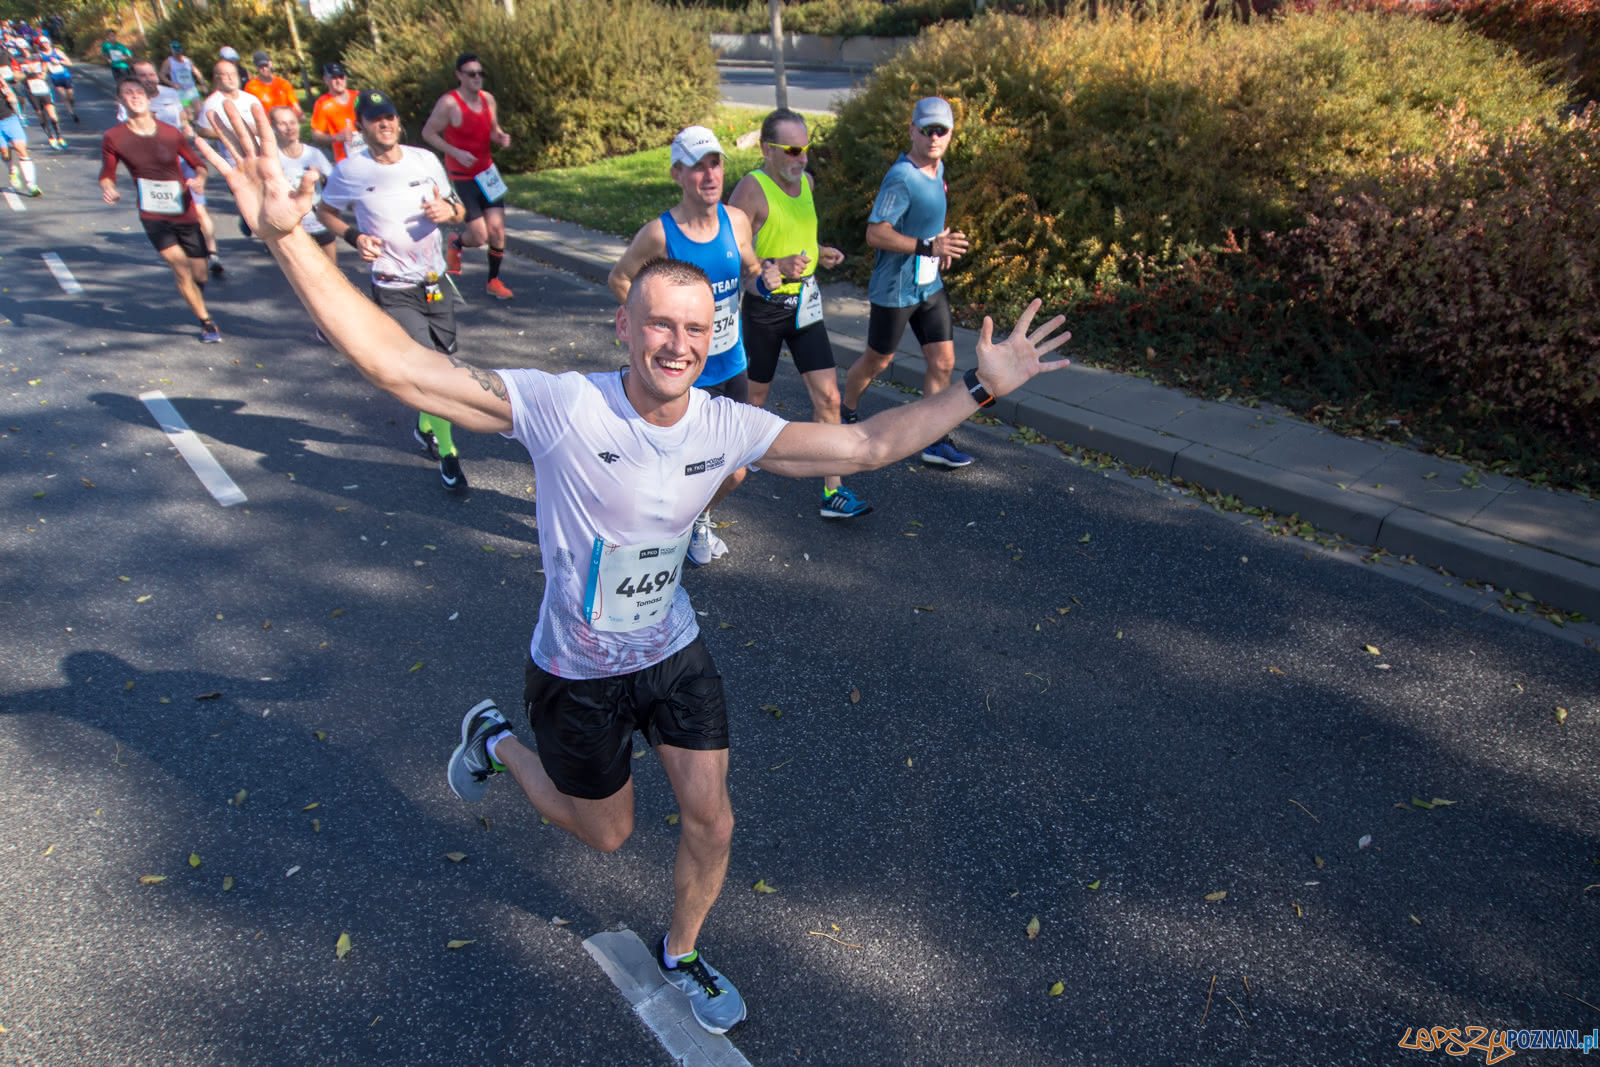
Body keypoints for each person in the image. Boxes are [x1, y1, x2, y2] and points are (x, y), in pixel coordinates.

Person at [194, 96, 1070, 1036]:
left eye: (695, 331)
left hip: (670, 651)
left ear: (712, 335)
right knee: (604, 832)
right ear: (625, 326)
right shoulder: (566, 408)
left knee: (714, 818)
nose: (678, 345)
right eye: (659, 325)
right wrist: (291, 238)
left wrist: (981, 386)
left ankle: (680, 951)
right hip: (576, 672)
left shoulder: (728, 422)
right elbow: (403, 367)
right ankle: (494, 739)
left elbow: (864, 447)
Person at [607, 125, 776, 566]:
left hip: (729, 361)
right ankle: (644, 531)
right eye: (697, 167)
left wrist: (765, 277)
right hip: (679, 368)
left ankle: (695, 516)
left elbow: (751, 268)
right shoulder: (661, 235)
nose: (709, 174)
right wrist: (650, 323)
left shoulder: (736, 221)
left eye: (715, 163)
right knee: (669, 461)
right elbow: (620, 278)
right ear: (677, 174)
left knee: (736, 467)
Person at [313, 89, 472, 493]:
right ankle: (450, 456)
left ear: (398, 122)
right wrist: (353, 236)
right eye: (374, 118)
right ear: (361, 125)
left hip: (435, 283)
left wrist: (448, 213)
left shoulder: (424, 160)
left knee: (443, 360)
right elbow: (324, 211)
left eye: (390, 117)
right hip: (392, 285)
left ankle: (424, 425)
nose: (384, 124)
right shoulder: (352, 170)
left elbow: (458, 209)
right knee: (433, 369)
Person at [728, 107, 867, 520]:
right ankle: (714, 478)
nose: (801, 158)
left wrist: (818, 251)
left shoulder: (805, 183)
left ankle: (833, 492)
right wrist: (771, 265)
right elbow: (733, 253)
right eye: (791, 149)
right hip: (765, 308)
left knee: (829, 396)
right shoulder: (750, 190)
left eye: (805, 149)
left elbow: (798, 233)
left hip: (805, 306)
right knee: (753, 401)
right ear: (767, 150)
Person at [839, 96, 975, 469]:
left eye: (941, 131)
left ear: (950, 135)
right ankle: (844, 413)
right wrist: (928, 245)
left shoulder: (938, 167)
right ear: (912, 130)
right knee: (878, 361)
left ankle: (933, 441)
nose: (934, 137)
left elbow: (925, 219)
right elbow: (875, 234)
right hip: (895, 288)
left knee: (943, 361)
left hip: (928, 284)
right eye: (926, 130)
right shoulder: (901, 177)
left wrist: (939, 241)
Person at [100, 76, 221, 343]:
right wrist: (108, 187)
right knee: (180, 267)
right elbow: (107, 173)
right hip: (153, 214)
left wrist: (199, 179)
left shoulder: (170, 132)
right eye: (127, 92)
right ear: (120, 101)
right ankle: (207, 322)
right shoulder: (114, 137)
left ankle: (194, 293)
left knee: (200, 272)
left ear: (147, 97)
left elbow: (197, 163)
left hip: (185, 210)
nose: (134, 96)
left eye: (138, 91)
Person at [421, 52, 512, 300]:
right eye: (471, 74)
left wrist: (501, 138)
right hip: (461, 176)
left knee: (498, 231)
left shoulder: (488, 100)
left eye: (480, 73)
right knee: (479, 236)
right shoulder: (449, 104)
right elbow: (428, 133)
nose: (477, 78)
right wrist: (455, 152)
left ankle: (493, 281)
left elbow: (493, 130)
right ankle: (457, 242)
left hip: (488, 173)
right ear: (459, 75)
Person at [123, 59, 224, 275]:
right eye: (143, 75)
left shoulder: (171, 94)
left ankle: (213, 255)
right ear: (134, 79)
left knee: (199, 208)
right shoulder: (130, 103)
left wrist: (189, 130)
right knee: (170, 216)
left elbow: (184, 120)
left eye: (151, 74)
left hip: (182, 161)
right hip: (154, 170)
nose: (149, 79)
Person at [193, 58, 260, 239]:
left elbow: (262, 124)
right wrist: (228, 133)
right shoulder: (212, 103)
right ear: (217, 78)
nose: (230, 78)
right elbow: (201, 129)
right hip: (234, 160)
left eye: (233, 74)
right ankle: (248, 219)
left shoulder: (250, 99)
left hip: (259, 156)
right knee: (249, 197)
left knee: (265, 195)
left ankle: (260, 226)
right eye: (225, 75)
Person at [268, 105, 335, 266]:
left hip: (321, 223)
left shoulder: (314, 154)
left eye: (292, 122)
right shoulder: (272, 160)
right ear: (273, 127)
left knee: (333, 274)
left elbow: (334, 185)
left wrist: (322, 177)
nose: (289, 127)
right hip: (294, 229)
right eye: (283, 123)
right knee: (308, 279)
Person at [310, 62, 361, 164]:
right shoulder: (322, 104)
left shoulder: (358, 97)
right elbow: (316, 135)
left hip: (368, 154)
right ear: (325, 80)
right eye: (334, 77)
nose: (338, 81)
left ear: (346, 78)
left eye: (341, 76)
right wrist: (337, 137)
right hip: (345, 161)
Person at [0, 74, 41, 196]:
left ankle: (31, 184)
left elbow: (12, 98)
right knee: (4, 152)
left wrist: (7, 91)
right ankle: (12, 170)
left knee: (21, 149)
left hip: (10, 119)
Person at [19, 43, 63, 149]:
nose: (24, 50)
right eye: (21, 49)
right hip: (31, 90)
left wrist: (43, 73)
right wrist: (27, 74)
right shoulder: (19, 60)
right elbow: (18, 76)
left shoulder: (38, 57)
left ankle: (59, 136)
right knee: (40, 114)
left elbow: (45, 66)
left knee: (52, 115)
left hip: (43, 88)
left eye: (25, 48)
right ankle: (50, 137)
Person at [244, 51, 299, 118]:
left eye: (265, 65)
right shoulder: (250, 86)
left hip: (283, 122)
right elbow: (247, 109)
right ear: (256, 67)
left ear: (270, 64)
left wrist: (299, 115)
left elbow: (294, 104)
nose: (264, 69)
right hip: (264, 124)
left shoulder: (283, 84)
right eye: (260, 66)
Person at [39, 35, 75, 123]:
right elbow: (43, 68)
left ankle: (72, 101)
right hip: (55, 77)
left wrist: (58, 61)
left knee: (70, 95)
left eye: (46, 43)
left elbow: (69, 63)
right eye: (43, 43)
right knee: (63, 96)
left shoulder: (56, 51)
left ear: (49, 43)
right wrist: (42, 75)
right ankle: (72, 113)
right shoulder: (42, 55)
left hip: (65, 75)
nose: (45, 45)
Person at [159, 40, 204, 108]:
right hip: (181, 92)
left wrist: (203, 84)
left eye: (179, 50)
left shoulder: (187, 60)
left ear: (181, 50)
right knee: (188, 114)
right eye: (175, 50)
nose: (177, 52)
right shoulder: (168, 62)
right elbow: (162, 75)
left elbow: (196, 72)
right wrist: (172, 84)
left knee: (199, 110)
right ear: (172, 50)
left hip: (191, 89)